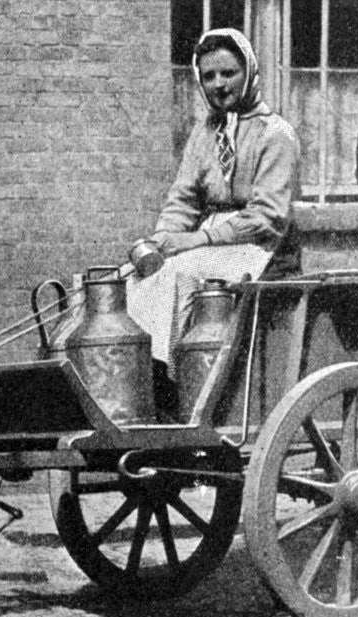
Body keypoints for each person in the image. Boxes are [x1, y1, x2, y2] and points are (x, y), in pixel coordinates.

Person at [127, 28, 301, 379]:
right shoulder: (204, 133)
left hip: (262, 248)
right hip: (216, 243)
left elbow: (267, 217)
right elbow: (183, 198)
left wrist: (195, 240)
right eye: (209, 76)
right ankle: (135, 377)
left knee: (181, 275)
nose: (219, 84)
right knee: (132, 277)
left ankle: (163, 377)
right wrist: (163, 241)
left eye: (228, 73)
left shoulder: (276, 134)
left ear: (249, 72)